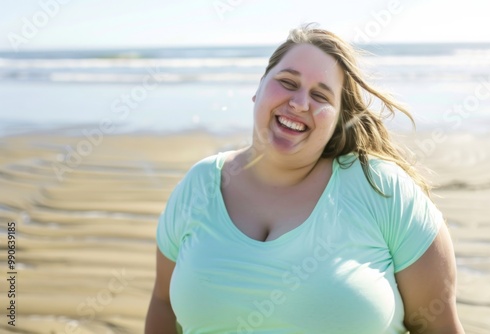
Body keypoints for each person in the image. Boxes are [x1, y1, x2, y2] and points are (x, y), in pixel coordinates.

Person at [145, 24, 464, 334]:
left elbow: (439, 326)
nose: (299, 103)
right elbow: (162, 303)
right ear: (259, 88)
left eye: (321, 95)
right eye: (287, 82)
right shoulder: (199, 185)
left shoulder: (383, 190)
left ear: (338, 119)